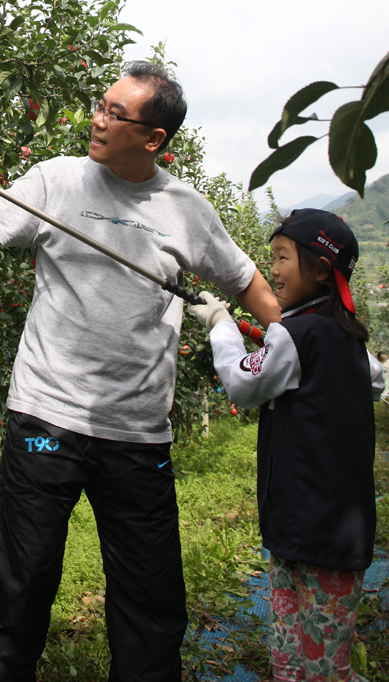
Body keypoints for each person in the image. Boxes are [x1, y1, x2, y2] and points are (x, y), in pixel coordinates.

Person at [0, 61, 281, 682]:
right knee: (18, 586)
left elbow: (248, 281)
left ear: (153, 138)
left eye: (114, 114)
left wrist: (294, 339)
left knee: (149, 600)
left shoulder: (187, 210)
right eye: (99, 106)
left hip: (137, 430)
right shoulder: (58, 181)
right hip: (48, 413)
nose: (96, 121)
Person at [189, 209, 385, 682]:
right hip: (325, 530)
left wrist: (220, 323)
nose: (271, 269)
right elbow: (374, 380)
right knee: (312, 658)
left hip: (307, 529)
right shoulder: (345, 336)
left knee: (308, 664)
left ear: (320, 269)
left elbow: (241, 383)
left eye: (282, 258)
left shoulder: (297, 334)